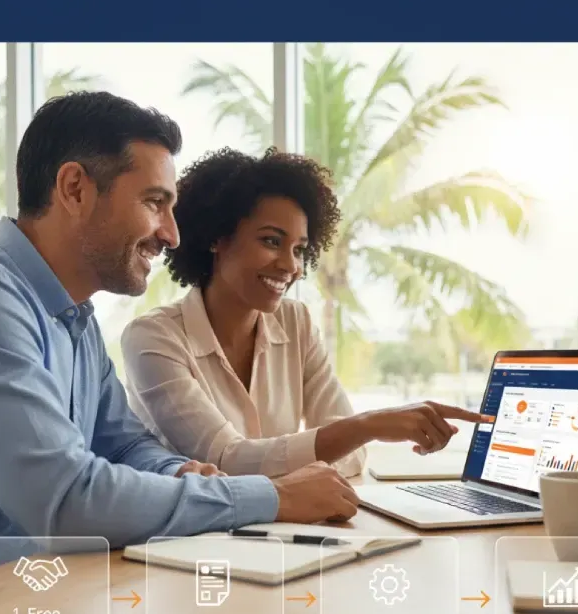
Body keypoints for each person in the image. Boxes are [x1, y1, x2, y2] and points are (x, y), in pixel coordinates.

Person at [0, 92, 358, 597]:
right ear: (74, 189)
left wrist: (180, 471)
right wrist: (269, 496)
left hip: (23, 602)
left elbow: (122, 443)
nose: (173, 234)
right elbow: (68, 501)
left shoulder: (75, 318)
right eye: (154, 203)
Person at [120, 147, 490, 480]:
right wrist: (366, 426)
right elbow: (226, 459)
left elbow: (352, 457)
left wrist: (340, 441)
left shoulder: (296, 324)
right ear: (217, 237)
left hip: (286, 528)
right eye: (271, 241)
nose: (289, 265)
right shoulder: (153, 338)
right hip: (192, 540)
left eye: (299, 249)